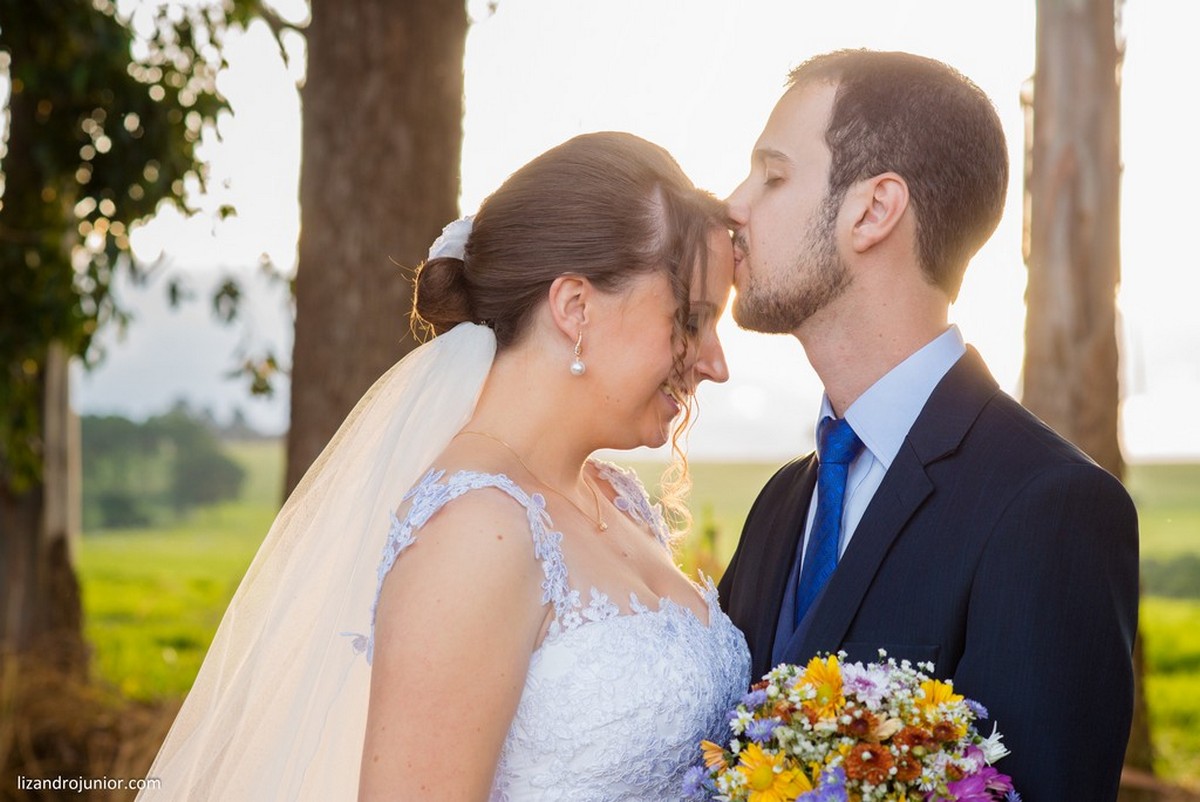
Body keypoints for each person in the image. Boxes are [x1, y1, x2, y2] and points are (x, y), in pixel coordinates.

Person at [140, 132, 750, 801]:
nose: (716, 363)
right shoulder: (475, 530)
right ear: (576, 307)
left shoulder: (618, 498)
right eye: (691, 321)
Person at [717, 49, 1138, 801]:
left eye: (773, 176)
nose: (733, 206)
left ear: (874, 210)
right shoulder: (781, 504)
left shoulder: (1052, 508)